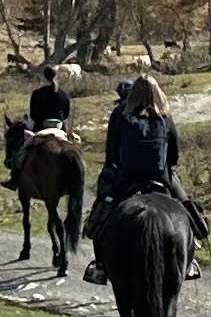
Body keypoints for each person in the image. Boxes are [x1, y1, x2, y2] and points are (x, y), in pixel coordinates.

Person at [81, 73, 196, 283]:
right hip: (161, 176)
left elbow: (112, 153)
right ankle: (190, 260)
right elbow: (174, 156)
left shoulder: (120, 115)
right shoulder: (165, 118)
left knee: (102, 216)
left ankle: (99, 266)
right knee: (187, 209)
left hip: (127, 177)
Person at [6, 60, 73, 183]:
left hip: (41, 126)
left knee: (23, 151)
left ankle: (14, 178)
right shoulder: (64, 95)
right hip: (59, 127)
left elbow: (34, 114)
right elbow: (66, 114)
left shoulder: (37, 93)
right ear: (56, 75)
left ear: (44, 76)